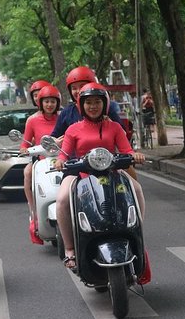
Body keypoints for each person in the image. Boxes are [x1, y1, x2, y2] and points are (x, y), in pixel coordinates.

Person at [53, 83, 146, 272]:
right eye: (88, 102)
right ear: (81, 105)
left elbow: (126, 150)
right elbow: (64, 154)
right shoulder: (73, 129)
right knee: (62, 199)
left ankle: (137, 235)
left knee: (136, 189)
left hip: (111, 171)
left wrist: (134, 155)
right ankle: (70, 249)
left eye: (97, 102)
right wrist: (60, 161)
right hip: (79, 173)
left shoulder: (114, 127)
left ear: (105, 104)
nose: (93, 106)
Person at [19, 84, 60, 244]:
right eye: (46, 101)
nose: (49, 105)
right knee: (28, 173)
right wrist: (25, 150)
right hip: (41, 161)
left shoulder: (62, 118)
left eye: (53, 101)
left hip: (62, 159)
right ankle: (34, 210)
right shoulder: (32, 120)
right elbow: (25, 144)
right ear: (40, 102)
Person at [50, 66, 127, 138]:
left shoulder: (106, 108)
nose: (78, 91)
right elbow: (55, 138)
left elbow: (123, 135)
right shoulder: (67, 112)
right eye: (74, 88)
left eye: (82, 86)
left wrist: (110, 124)